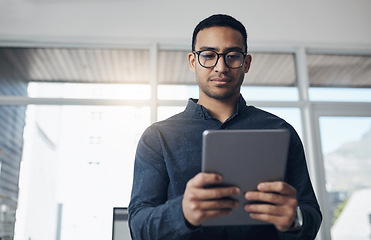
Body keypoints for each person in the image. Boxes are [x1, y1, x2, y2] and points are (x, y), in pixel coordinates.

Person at [128, 14, 322, 240]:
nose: (221, 67)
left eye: (233, 56)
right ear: (193, 61)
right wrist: (182, 213)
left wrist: (295, 218)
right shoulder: (157, 137)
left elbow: (310, 213)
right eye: (209, 55)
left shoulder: (281, 131)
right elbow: (138, 227)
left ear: (246, 63)